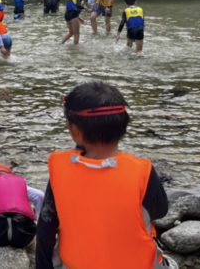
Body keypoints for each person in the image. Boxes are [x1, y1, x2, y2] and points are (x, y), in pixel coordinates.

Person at [35, 81, 170, 269]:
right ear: (123, 126)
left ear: (73, 129)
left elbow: (46, 229)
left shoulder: (59, 167)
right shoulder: (143, 171)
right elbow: (160, 211)